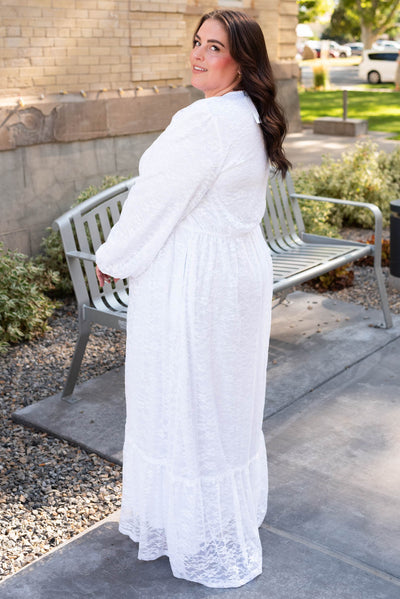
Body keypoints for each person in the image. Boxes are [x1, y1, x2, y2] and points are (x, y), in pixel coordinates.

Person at [95, 9, 291, 588]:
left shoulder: (205, 120)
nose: (198, 54)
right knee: (223, 401)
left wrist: (113, 258)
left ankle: (197, 531)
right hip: (235, 271)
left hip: (197, 280)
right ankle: (206, 518)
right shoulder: (247, 115)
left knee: (186, 396)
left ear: (243, 61)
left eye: (215, 47)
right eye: (197, 42)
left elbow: (156, 200)